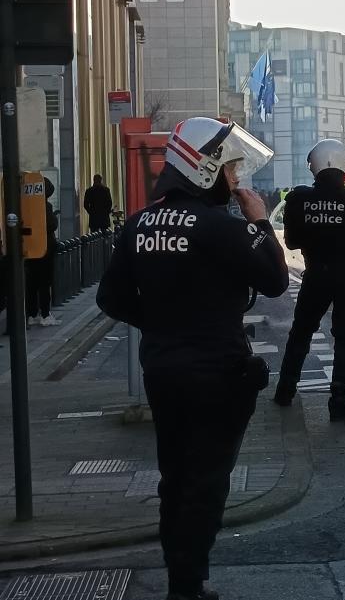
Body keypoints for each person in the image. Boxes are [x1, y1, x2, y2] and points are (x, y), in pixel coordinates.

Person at [96, 118, 288, 600]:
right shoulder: (219, 226)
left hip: (162, 368)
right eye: (231, 168)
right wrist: (260, 222)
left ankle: (179, 578)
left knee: (174, 477)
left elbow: (110, 298)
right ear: (206, 169)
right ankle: (188, 586)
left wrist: (163, 326)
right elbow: (274, 279)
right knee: (206, 482)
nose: (236, 178)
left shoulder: (141, 222)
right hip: (216, 371)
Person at [273, 139, 345, 419]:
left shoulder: (299, 198)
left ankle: (285, 391)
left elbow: (293, 242)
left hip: (316, 275)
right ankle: (339, 402)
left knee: (300, 334)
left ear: (313, 166)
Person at [26, 177, 61, 327]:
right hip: (45, 249)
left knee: (32, 284)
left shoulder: (26, 205)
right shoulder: (44, 206)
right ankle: (45, 314)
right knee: (45, 283)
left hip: (30, 248)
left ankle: (32, 314)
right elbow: (52, 224)